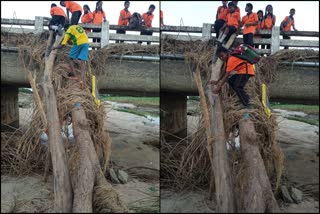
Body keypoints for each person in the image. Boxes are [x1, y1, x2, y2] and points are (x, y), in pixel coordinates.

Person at [52, 24, 89, 89]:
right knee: (82, 61)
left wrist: (54, 47)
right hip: (86, 42)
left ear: (66, 29)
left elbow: (61, 46)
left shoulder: (68, 31)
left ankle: (75, 76)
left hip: (78, 43)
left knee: (70, 58)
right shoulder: (77, 27)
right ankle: (82, 78)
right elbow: (83, 33)